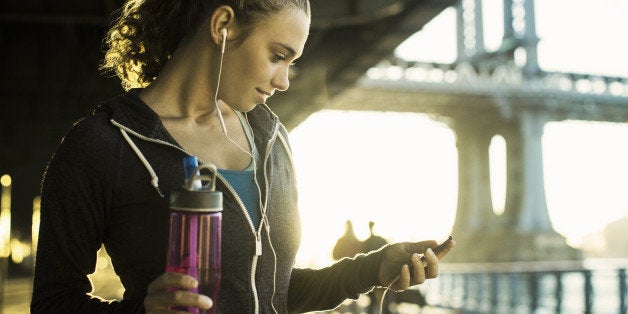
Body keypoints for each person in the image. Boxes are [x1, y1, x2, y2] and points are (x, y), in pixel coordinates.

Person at [30, 0, 455, 313]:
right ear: (223, 24)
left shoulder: (271, 138)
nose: (285, 81)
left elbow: (275, 292)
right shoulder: (104, 146)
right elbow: (53, 303)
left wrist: (374, 267)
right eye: (277, 56)